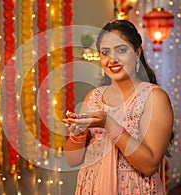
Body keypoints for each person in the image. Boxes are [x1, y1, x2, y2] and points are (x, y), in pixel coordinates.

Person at [63, 19, 174, 195]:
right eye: (105, 52)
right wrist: (78, 133)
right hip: (91, 187)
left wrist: (109, 123)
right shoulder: (93, 97)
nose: (112, 59)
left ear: (137, 52)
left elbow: (149, 165)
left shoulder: (154, 98)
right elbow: (72, 160)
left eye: (121, 50)